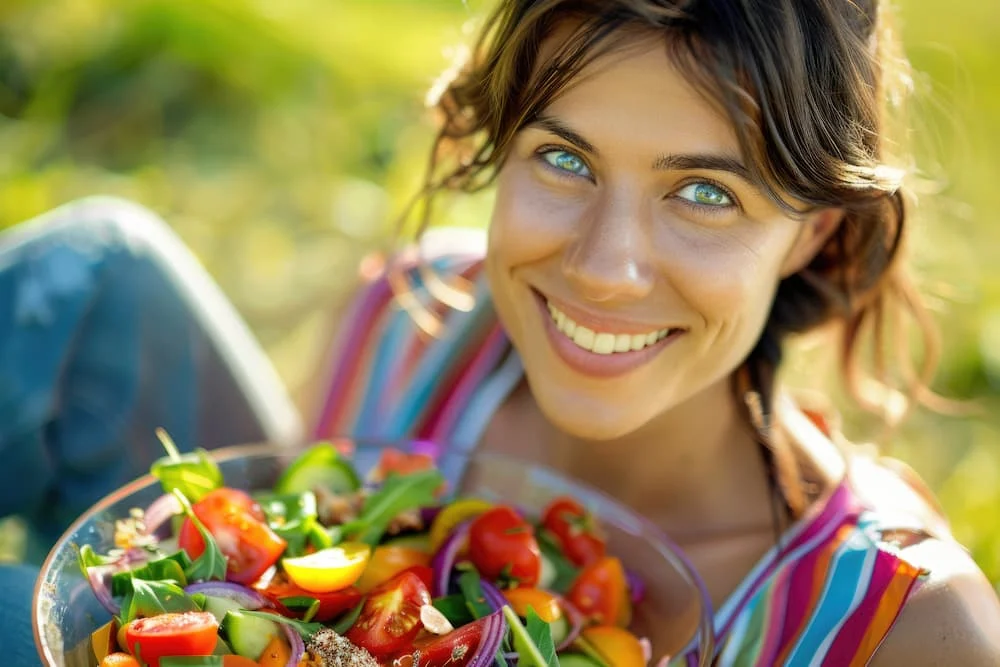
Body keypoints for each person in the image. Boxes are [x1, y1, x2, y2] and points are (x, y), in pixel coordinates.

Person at [5, 0, 1000, 664]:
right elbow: (286, 567)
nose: (605, 267)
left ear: (811, 231)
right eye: (563, 160)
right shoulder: (417, 320)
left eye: (705, 191)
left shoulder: (909, 628)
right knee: (92, 274)